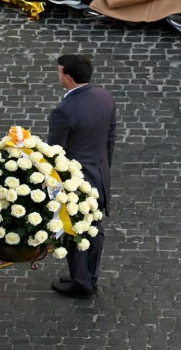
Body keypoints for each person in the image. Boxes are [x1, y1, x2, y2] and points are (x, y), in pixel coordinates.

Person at [48, 54, 116, 297]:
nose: (58, 75)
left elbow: (55, 154)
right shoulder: (105, 98)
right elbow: (110, 139)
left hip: (76, 180)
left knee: (75, 229)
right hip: (99, 174)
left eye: (59, 72)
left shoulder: (63, 111)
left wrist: (55, 188)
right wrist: (103, 168)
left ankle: (81, 282)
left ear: (68, 77)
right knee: (95, 228)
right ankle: (89, 276)